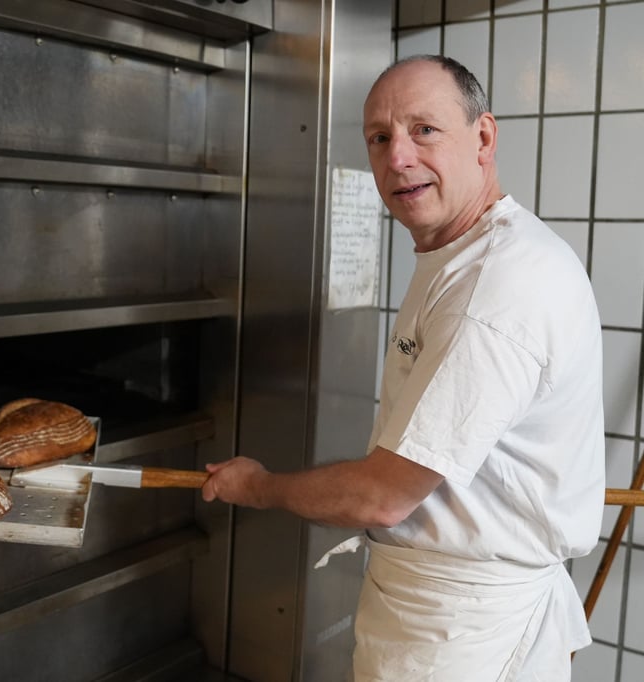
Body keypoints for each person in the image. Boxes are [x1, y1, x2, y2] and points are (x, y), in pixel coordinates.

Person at [201, 55, 605, 681]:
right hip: (441, 614)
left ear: (484, 137)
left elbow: (383, 496)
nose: (398, 159)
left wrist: (257, 485)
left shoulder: (498, 288)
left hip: (465, 633)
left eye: (425, 130)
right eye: (380, 138)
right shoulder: (461, 255)